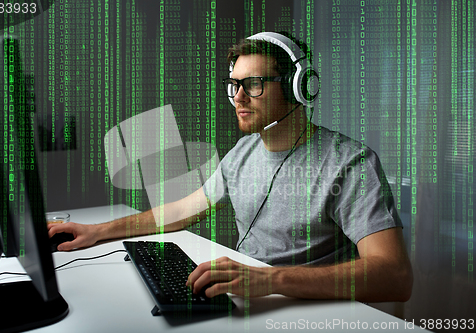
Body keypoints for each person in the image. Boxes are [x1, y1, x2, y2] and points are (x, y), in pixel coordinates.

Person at [49, 32, 413, 302]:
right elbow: (181, 210)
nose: (237, 97)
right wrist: (98, 232)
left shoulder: (349, 163)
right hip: (245, 302)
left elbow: (395, 276)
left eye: (253, 84)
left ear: (298, 87)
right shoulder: (243, 151)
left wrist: (271, 280)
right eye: (234, 85)